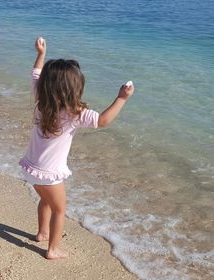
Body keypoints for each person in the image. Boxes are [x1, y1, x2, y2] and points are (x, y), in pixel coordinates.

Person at [19, 37, 135, 260]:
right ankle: (52, 249)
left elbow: (35, 74)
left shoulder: (40, 100)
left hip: (30, 168)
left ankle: (42, 233)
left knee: (45, 200)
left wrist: (41, 54)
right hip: (50, 174)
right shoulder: (74, 113)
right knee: (59, 210)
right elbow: (102, 121)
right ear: (74, 88)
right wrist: (121, 98)